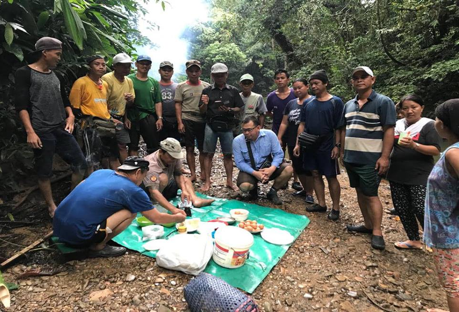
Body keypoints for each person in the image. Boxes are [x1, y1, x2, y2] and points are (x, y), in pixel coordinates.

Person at [53, 156, 186, 258]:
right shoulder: (133, 190)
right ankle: (98, 246)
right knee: (130, 212)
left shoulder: (101, 172)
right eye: (143, 177)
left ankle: (97, 234)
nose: (142, 182)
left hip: (58, 227)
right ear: (138, 172)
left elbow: (82, 184)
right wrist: (177, 218)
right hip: (78, 235)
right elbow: (156, 218)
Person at [14, 37, 87, 218]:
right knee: (44, 170)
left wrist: (70, 117)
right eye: (57, 54)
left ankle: (71, 200)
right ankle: (51, 206)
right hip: (40, 130)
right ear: (44, 53)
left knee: (80, 163)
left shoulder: (57, 75)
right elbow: (21, 106)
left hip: (60, 128)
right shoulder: (24, 73)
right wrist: (30, 132)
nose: (59, 58)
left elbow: (64, 100)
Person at [339, 66, 396, 250]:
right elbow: (345, 129)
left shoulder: (383, 102)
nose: (359, 80)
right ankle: (368, 224)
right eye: (356, 77)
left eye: (364, 76)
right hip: (351, 157)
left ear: (373, 79)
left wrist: (385, 157)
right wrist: (341, 152)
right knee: (359, 192)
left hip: (371, 159)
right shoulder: (348, 104)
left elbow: (389, 130)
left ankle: (377, 232)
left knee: (371, 194)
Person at [387, 95, 441, 249]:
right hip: (397, 172)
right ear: (401, 110)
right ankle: (413, 239)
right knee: (402, 207)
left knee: (420, 208)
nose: (410, 111)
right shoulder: (398, 125)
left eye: (414, 107)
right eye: (405, 108)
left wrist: (414, 145)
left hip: (420, 174)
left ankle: (435, 240)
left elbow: (436, 150)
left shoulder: (429, 125)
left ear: (422, 108)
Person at [293, 71, 343, 221]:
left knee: (331, 175)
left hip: (327, 143)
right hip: (309, 143)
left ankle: (336, 208)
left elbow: (339, 127)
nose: (314, 86)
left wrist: (337, 146)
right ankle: (321, 203)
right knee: (315, 173)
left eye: (317, 83)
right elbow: (302, 124)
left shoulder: (335, 102)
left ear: (325, 83)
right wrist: (298, 143)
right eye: (312, 83)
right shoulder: (308, 103)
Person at [424, 99, 459, 312]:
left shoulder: (454, 153)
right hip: (449, 230)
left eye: (437, 118)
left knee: (453, 285)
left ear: (445, 125)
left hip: (449, 233)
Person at [199, 62, 245, 192]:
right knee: (208, 154)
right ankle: (207, 181)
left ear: (226, 75)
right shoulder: (206, 91)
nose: (219, 78)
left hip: (227, 125)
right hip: (211, 125)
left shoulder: (233, 91)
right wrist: (204, 104)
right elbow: (202, 111)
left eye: (222, 75)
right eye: (217, 75)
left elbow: (239, 108)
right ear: (212, 76)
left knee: (228, 155)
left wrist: (229, 109)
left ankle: (229, 181)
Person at [69, 55, 119, 171]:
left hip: (106, 125)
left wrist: (110, 118)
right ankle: (91, 183)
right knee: (92, 159)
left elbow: (104, 105)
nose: (101, 67)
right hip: (90, 125)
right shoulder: (81, 83)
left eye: (103, 64)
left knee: (109, 156)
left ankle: (109, 180)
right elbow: (74, 107)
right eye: (97, 64)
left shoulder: (104, 84)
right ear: (89, 67)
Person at [233, 116, 293, 205]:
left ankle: (273, 191)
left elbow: (279, 154)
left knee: (288, 169)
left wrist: (272, 169)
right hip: (250, 170)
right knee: (245, 186)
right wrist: (255, 173)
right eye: (244, 130)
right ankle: (253, 190)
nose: (246, 133)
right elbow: (239, 162)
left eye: (249, 130)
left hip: (268, 167)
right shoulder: (238, 141)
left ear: (258, 127)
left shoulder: (270, 135)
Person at [143, 138, 214, 213]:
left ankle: (195, 199)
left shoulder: (174, 158)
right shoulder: (151, 165)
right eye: (171, 157)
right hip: (149, 193)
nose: (174, 159)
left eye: (175, 157)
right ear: (161, 152)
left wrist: (184, 190)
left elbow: (178, 174)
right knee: (163, 178)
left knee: (185, 179)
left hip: (164, 189)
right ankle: (155, 203)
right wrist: (173, 209)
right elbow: (153, 191)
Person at [277, 78, 315, 203]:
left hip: (309, 141)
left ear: (307, 87)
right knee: (298, 167)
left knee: (309, 168)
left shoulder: (313, 102)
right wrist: (279, 137)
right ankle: (305, 189)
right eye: (295, 88)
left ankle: (310, 193)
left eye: (300, 87)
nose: (297, 90)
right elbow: (284, 122)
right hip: (292, 140)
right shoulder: (291, 104)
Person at [175, 60, 210, 182]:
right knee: (189, 147)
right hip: (187, 118)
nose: (194, 73)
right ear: (187, 72)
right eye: (191, 71)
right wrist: (180, 122)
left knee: (202, 149)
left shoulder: (206, 86)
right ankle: (193, 174)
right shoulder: (181, 86)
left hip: (202, 119)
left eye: (196, 71)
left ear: (200, 71)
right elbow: (178, 104)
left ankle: (203, 173)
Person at [266, 69, 299, 190]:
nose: (280, 80)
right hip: (276, 129)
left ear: (288, 80)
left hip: (293, 129)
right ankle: (282, 179)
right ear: (275, 80)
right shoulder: (271, 97)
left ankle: (296, 180)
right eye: (278, 78)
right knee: (278, 154)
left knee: (294, 155)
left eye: (282, 78)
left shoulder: (294, 93)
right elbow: (268, 112)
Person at [102, 52, 135, 165]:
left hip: (120, 117)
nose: (126, 68)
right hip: (105, 118)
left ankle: (127, 169)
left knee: (122, 144)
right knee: (107, 147)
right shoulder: (107, 79)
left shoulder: (128, 81)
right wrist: (110, 118)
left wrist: (126, 118)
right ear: (115, 66)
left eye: (128, 66)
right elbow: (101, 101)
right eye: (123, 66)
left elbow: (128, 104)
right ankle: (109, 170)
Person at [127, 55, 163, 155]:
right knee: (133, 144)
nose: (144, 66)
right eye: (142, 63)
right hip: (132, 115)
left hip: (148, 115)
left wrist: (159, 118)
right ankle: (133, 168)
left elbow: (157, 101)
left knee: (153, 144)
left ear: (150, 66)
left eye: (147, 64)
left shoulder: (153, 82)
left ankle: (153, 168)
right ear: (136, 64)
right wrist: (125, 117)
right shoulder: (129, 79)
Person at [158, 61, 180, 141]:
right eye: (164, 70)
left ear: (172, 72)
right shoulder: (155, 86)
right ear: (159, 71)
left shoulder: (177, 86)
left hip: (174, 120)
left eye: (169, 70)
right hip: (160, 119)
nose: (166, 72)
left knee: (175, 144)